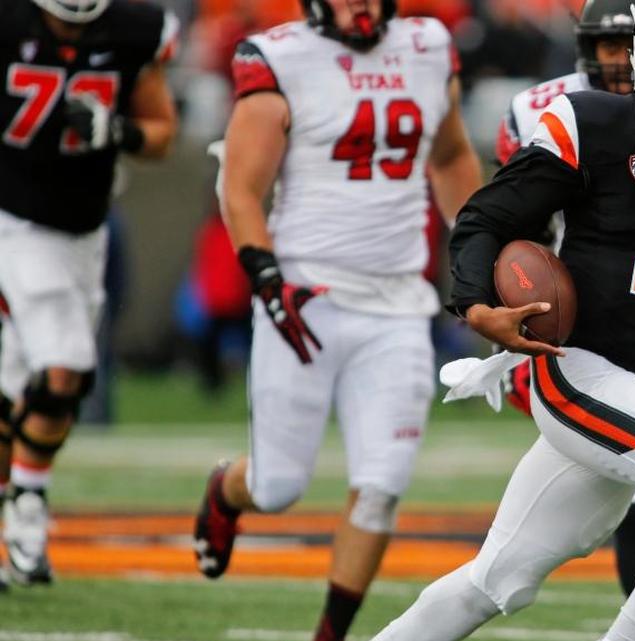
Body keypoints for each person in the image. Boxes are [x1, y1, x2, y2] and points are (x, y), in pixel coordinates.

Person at [370, 1, 635, 640]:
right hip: (576, 369)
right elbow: (487, 219)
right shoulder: (590, 121)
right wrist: (477, 306)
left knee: (496, 579)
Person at [190, 2, 482, 640]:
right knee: (278, 487)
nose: (362, 7)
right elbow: (241, 187)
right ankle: (229, 488)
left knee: (380, 486)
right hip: (305, 297)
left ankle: (331, 635)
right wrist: (266, 276)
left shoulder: (429, 45)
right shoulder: (279, 55)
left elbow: (452, 153)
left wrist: (484, 242)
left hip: (400, 303)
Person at [0, 0, 179, 588]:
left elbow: (162, 133)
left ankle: (17, 498)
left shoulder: (132, 29)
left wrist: (118, 130)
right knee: (67, 364)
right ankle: (29, 501)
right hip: (13, 218)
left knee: (19, 383)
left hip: (85, 227)